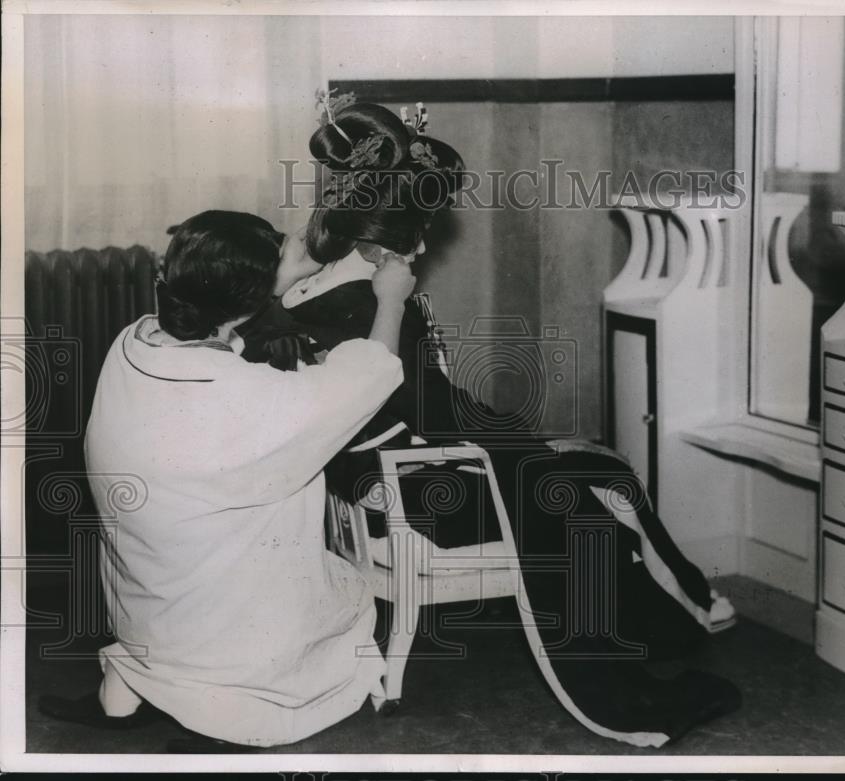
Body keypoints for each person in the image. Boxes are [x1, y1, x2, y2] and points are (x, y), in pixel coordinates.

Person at [238, 94, 740, 747]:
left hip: (358, 480)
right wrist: (517, 438)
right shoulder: (384, 305)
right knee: (604, 475)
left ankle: (678, 610)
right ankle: (689, 612)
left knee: (575, 464)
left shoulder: (304, 291)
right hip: (423, 489)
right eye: (427, 230)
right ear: (411, 235)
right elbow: (436, 410)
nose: (427, 242)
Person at [38, 209, 416, 750]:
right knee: (348, 597)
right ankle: (228, 721)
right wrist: (392, 299)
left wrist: (278, 275)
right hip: (220, 615)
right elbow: (368, 374)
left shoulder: (132, 343)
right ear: (247, 298)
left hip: (145, 588)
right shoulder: (247, 395)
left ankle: (123, 696)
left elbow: (224, 359)